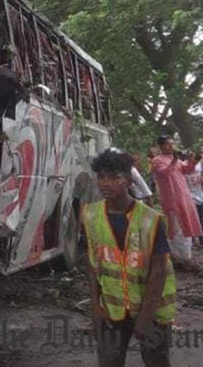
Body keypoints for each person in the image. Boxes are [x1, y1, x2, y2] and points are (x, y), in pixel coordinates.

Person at [82, 149, 175, 366]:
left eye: (114, 177)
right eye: (101, 177)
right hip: (111, 311)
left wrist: (145, 316)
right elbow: (91, 265)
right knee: (109, 361)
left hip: (153, 312)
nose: (106, 183)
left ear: (128, 180)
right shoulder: (90, 215)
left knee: (156, 361)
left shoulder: (150, 220)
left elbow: (159, 269)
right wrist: (96, 310)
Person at [151, 135, 202, 269]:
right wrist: (174, 160)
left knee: (186, 227)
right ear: (161, 146)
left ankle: (182, 257)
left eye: (172, 144)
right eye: (169, 144)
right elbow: (164, 174)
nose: (172, 147)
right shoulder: (157, 161)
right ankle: (183, 259)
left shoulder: (176, 160)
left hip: (184, 197)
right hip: (172, 200)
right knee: (178, 230)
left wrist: (193, 160)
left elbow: (187, 170)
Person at [185, 146, 203, 244]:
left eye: (192, 155)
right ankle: (191, 241)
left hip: (199, 196)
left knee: (201, 218)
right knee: (191, 219)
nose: (191, 157)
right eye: (189, 156)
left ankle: (200, 240)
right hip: (189, 198)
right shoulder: (183, 166)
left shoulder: (199, 165)